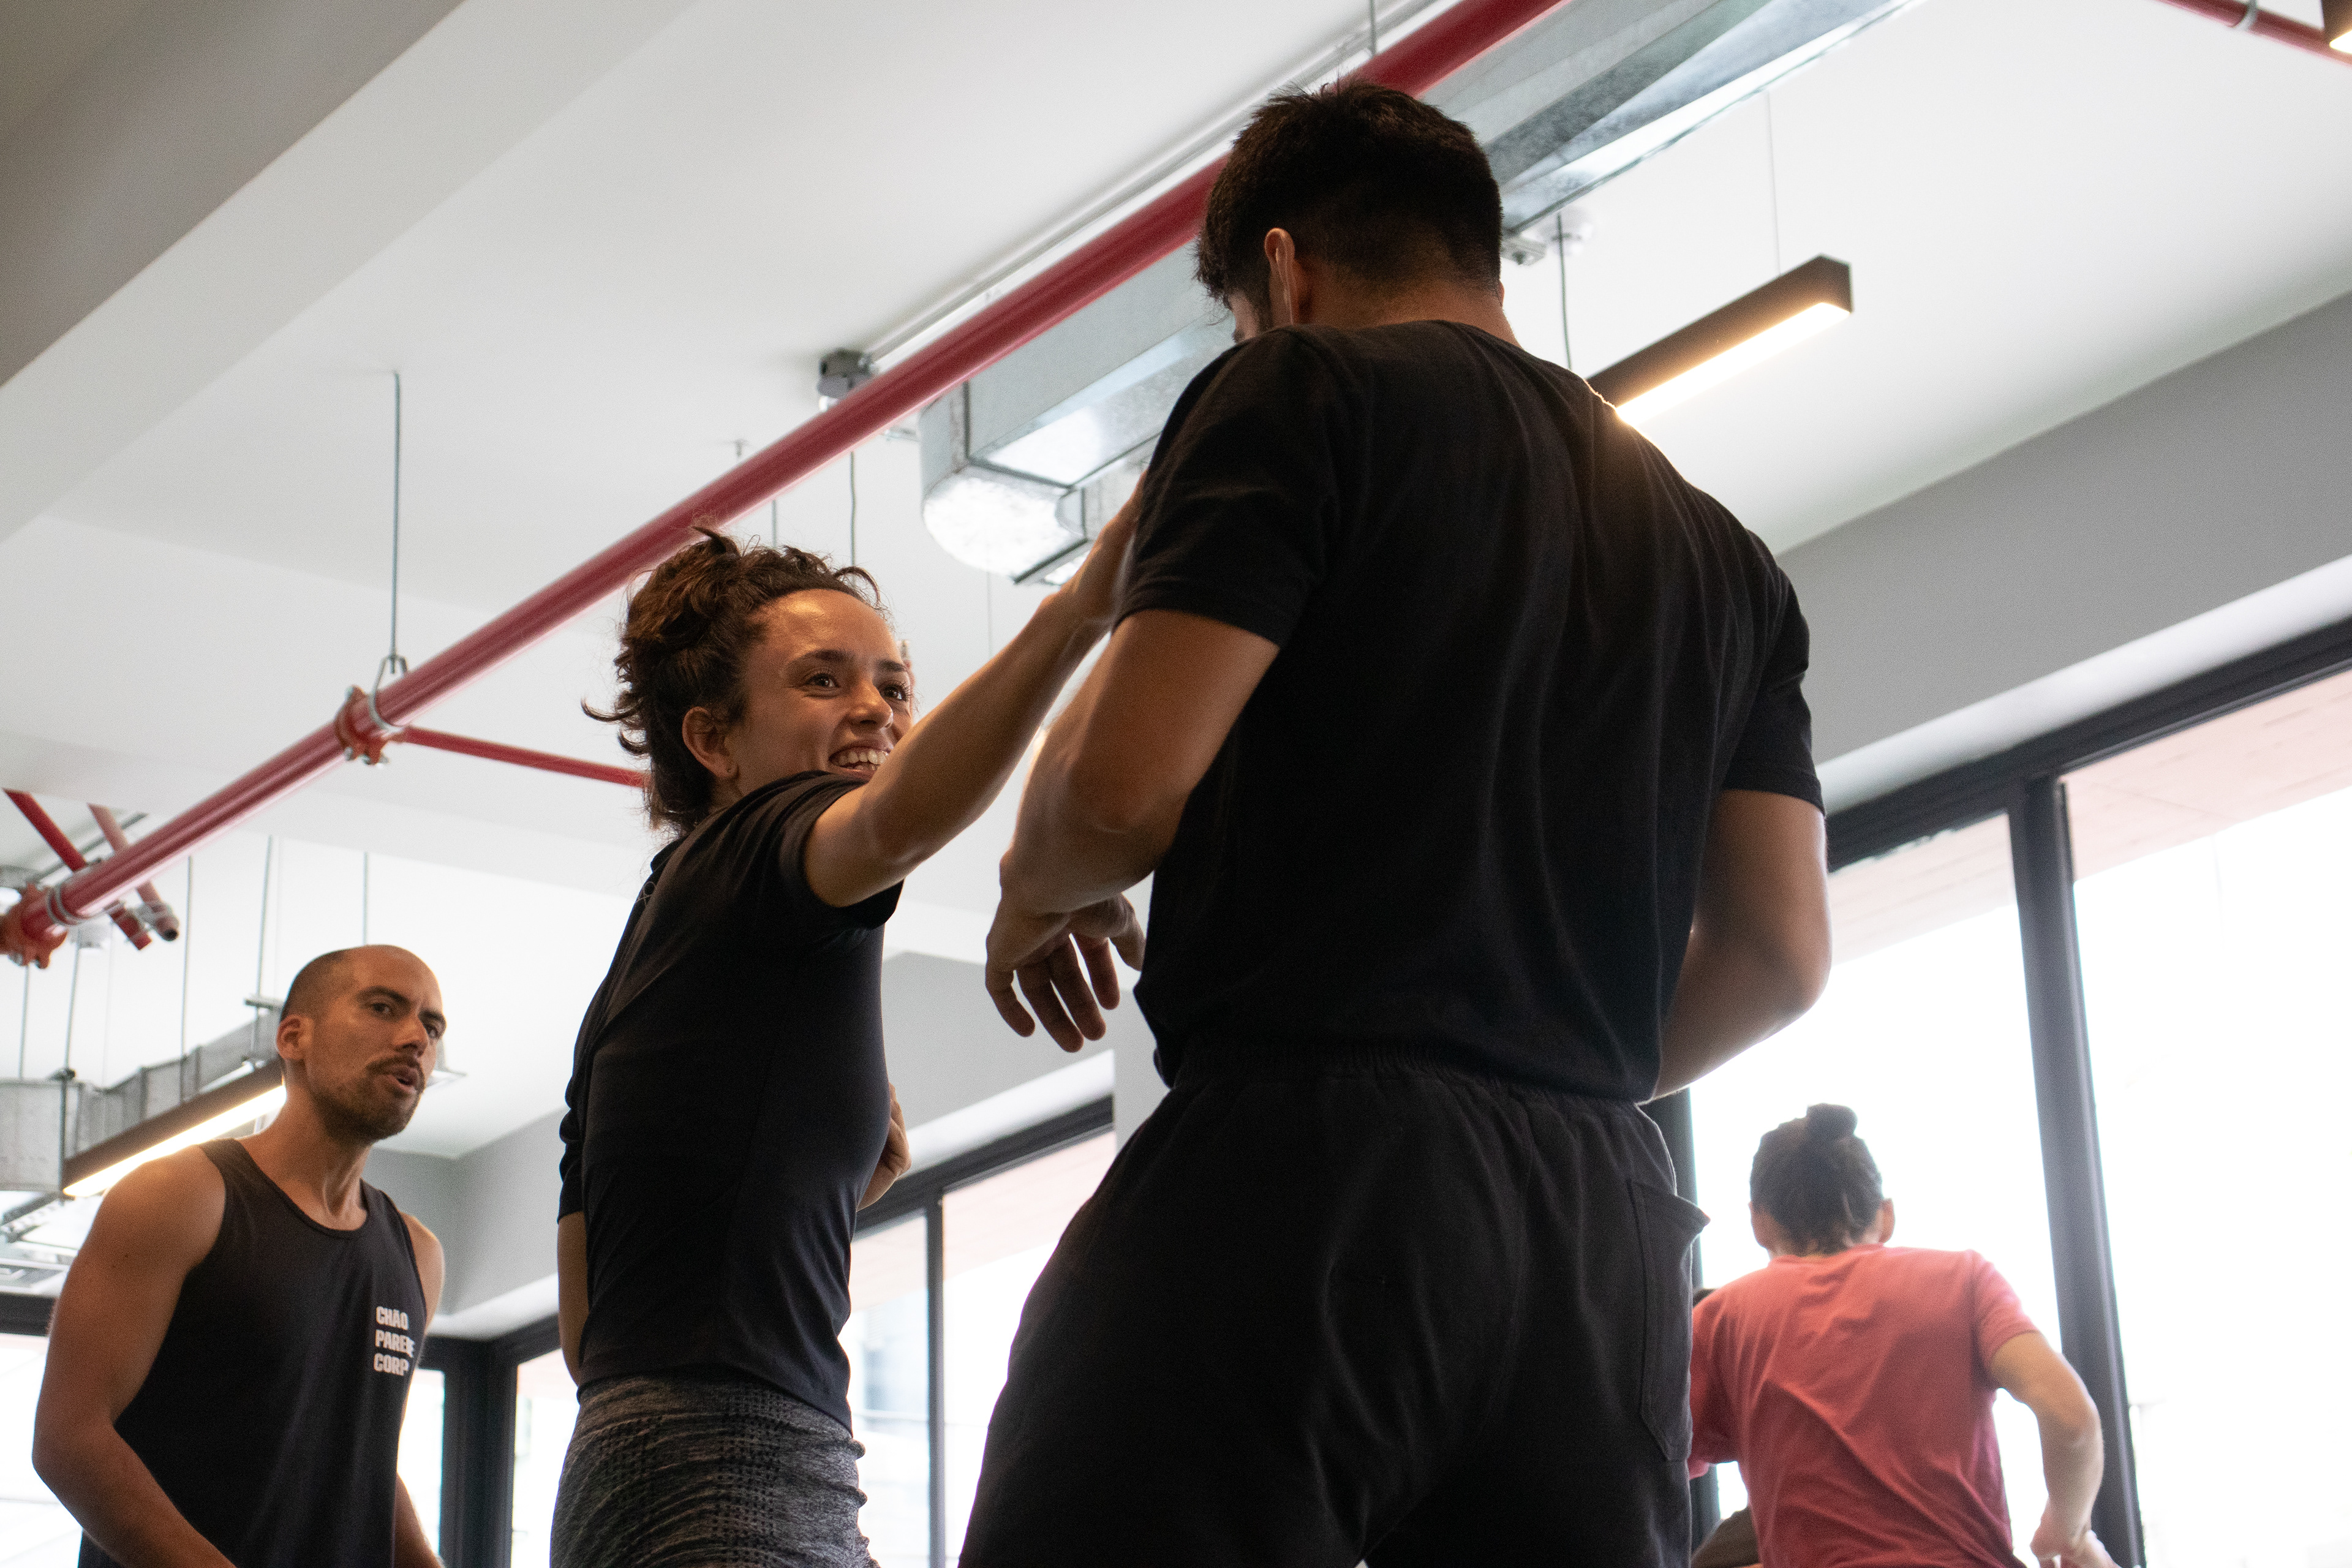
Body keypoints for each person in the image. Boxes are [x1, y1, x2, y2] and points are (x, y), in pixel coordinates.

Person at [963, 80, 1832, 1566]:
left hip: (1311, 1173)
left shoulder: (1295, 391)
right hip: (1597, 1229)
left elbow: (1112, 795)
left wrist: (1033, 885)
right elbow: (1777, 957)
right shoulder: (1728, 561)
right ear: (1478, 253)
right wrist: (1535, 1060)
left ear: (1282, 271)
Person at [549, 514, 1135, 1567]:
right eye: (824, 681)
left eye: (893, 686)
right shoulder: (748, 853)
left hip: (671, 1460)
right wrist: (1078, 611)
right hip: (724, 1465)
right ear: (715, 741)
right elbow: (894, 822)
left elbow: (594, 1329)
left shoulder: (673, 933)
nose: (877, 709)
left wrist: (803, 1201)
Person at [34, 945, 449, 1568]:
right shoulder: (179, 1196)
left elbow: (365, 1467)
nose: (416, 1038)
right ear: (294, 1037)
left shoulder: (417, 1254)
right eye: (383, 1008)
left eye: (432, 1026)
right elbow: (71, 1439)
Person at [1688, 1104, 2120, 1568]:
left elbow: (1653, 1469)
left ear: (1758, 1222)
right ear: (1886, 1214)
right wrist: (2066, 1530)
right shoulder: (1965, 1278)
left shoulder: (1722, 1319)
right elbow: (2072, 1420)